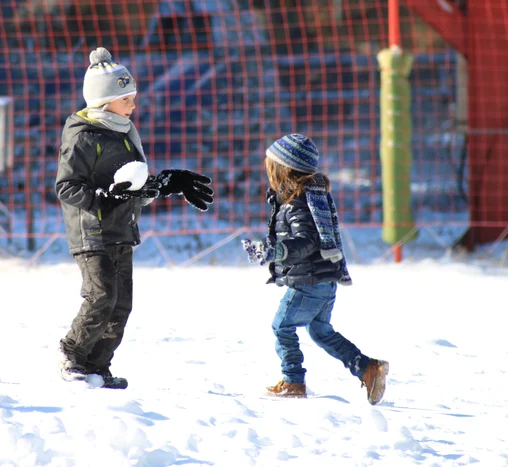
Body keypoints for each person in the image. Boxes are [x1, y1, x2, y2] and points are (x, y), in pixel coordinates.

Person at [55, 47, 214, 389]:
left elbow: (130, 186)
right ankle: (71, 355)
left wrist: (165, 184)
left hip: (121, 230)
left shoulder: (124, 133)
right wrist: (102, 197)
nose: (133, 105)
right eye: (126, 98)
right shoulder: (84, 136)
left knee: (120, 305)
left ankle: (97, 367)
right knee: (101, 298)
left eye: (133, 97)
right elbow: (67, 187)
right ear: (103, 102)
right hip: (92, 232)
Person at [242, 133, 388, 405]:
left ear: (283, 169)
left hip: (308, 282)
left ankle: (292, 380)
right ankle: (367, 368)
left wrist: (277, 250)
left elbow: (307, 241)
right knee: (321, 331)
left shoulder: (297, 203)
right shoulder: (309, 198)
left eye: (269, 167)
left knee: (281, 326)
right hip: (324, 280)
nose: (267, 173)